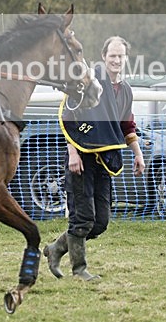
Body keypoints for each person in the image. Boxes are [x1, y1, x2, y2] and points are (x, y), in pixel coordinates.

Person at [43, 36, 146, 280]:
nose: (117, 60)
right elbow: (69, 116)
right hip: (81, 158)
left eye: (121, 56)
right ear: (103, 56)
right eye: (112, 55)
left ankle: (55, 249)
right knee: (83, 218)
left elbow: (127, 126)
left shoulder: (126, 90)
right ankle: (79, 270)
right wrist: (72, 153)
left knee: (100, 222)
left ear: (126, 58)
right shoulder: (88, 81)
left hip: (105, 160)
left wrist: (138, 155)